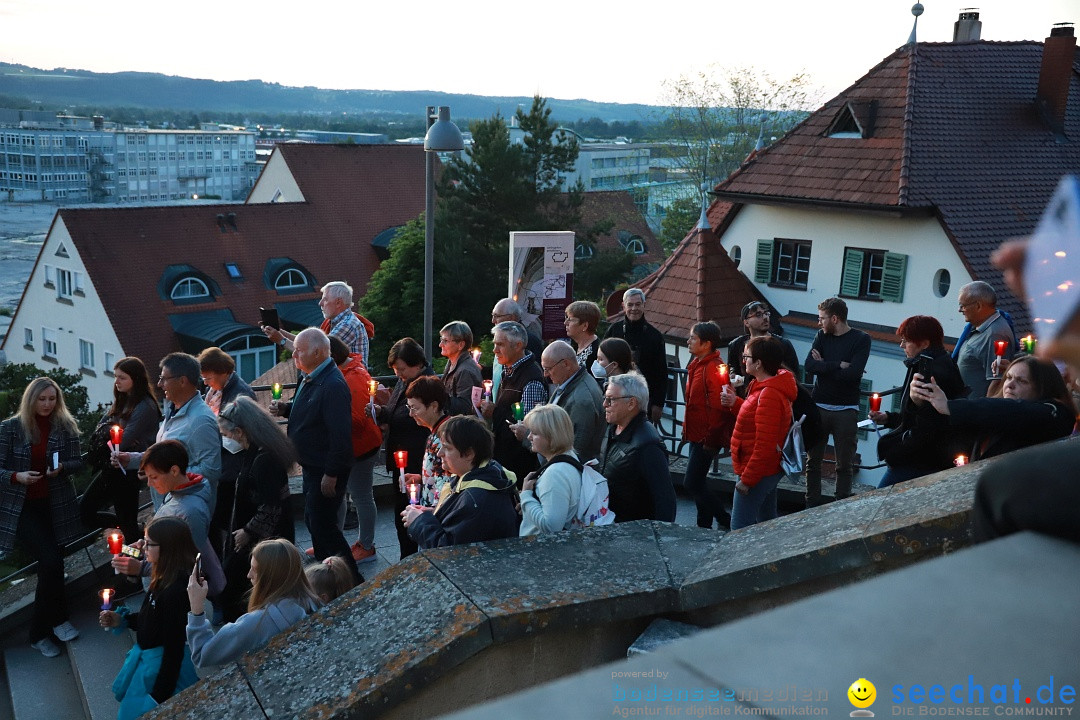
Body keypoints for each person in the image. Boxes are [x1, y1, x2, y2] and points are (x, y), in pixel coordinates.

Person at [0, 377, 83, 658]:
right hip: (21, 507)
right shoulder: (11, 428)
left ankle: (58, 621)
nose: (47, 404)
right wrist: (16, 476)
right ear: (31, 399)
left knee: (54, 564)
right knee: (51, 560)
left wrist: (62, 470)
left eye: (52, 399)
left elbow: (77, 461)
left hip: (55, 503)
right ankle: (39, 632)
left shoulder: (65, 426)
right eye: (42, 399)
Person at [269, 328, 359, 584]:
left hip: (324, 468)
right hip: (312, 465)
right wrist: (287, 408)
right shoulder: (311, 376)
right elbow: (310, 412)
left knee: (324, 527)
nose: (294, 354)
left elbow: (340, 436)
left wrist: (331, 473)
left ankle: (350, 580)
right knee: (314, 521)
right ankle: (327, 575)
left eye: (299, 350)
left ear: (318, 352)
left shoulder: (332, 385)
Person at [99, 516, 199, 719]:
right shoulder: (163, 576)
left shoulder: (175, 591)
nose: (143, 548)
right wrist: (123, 620)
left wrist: (157, 698)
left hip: (157, 670)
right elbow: (152, 619)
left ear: (168, 549)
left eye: (149, 544)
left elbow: (174, 649)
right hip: (149, 662)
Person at [216, 397, 297, 622]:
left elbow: (271, 506)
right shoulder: (261, 452)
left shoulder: (264, 461)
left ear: (240, 432)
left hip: (260, 540)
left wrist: (248, 532)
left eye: (227, 434)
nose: (227, 439)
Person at [912, 354, 1076, 462]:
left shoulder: (1054, 413)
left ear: (1042, 387)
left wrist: (949, 406)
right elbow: (950, 433)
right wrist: (923, 402)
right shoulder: (994, 411)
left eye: (1021, 381)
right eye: (1009, 378)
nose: (1010, 385)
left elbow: (1014, 411)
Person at [186, 538, 321, 668]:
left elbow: (202, 655)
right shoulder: (315, 603)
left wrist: (196, 607)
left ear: (269, 578)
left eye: (255, 570)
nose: (249, 575)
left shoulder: (255, 623)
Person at [116, 352, 221, 512]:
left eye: (164, 378)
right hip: (170, 506)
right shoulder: (174, 410)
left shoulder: (200, 420)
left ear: (182, 381)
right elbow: (165, 457)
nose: (159, 384)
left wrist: (161, 472)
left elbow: (211, 470)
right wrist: (132, 459)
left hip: (186, 511)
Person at [869, 316, 966, 487]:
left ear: (924, 344)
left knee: (879, 504)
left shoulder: (930, 373)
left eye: (906, 341)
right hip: (926, 457)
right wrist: (890, 418)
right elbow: (919, 415)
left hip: (922, 461)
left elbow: (928, 428)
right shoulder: (930, 362)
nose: (901, 346)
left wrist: (894, 455)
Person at [401, 416, 520, 548]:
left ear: (469, 454)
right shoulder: (485, 472)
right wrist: (436, 512)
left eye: (447, 448)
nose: (440, 453)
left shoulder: (475, 498)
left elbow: (450, 550)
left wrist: (419, 522)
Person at [80, 356, 161, 542]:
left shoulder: (145, 406)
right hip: (114, 466)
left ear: (136, 379)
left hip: (128, 469)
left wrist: (114, 432)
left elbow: (121, 442)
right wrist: (113, 431)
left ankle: (136, 559)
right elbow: (101, 429)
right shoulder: (122, 400)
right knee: (86, 511)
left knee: (126, 522)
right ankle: (137, 532)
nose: (117, 382)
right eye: (116, 377)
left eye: (122, 377)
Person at [721, 336, 798, 530]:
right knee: (767, 522)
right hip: (766, 468)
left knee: (739, 527)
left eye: (747, 356)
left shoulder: (768, 394)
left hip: (757, 470)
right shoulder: (765, 387)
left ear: (758, 363)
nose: (743, 359)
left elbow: (765, 443)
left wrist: (747, 480)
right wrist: (736, 403)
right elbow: (758, 419)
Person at [803, 298, 871, 507]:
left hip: (846, 410)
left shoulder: (861, 339)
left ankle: (840, 506)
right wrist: (837, 365)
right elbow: (808, 366)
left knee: (844, 465)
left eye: (822, 318)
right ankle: (810, 505)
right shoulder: (822, 336)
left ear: (835, 318)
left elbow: (853, 374)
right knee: (812, 462)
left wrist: (824, 366)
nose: (819, 323)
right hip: (819, 406)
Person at [375, 337, 434, 559]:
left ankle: (412, 558)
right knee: (401, 514)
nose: (399, 374)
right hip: (401, 459)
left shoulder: (424, 386)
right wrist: (382, 412)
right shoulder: (405, 381)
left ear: (417, 364)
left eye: (402, 369)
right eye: (396, 370)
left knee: (412, 514)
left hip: (415, 460)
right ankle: (406, 556)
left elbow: (414, 419)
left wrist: (391, 417)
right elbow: (395, 409)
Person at [198, 346, 255, 563]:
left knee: (223, 518)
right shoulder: (213, 390)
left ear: (222, 372)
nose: (205, 382)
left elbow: (241, 437)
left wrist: (212, 436)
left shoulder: (241, 394)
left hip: (231, 466)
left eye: (208, 377)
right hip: (218, 460)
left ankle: (228, 562)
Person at [329, 336, 382, 564]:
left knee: (361, 496)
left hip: (361, 447)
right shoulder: (346, 372)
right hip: (349, 447)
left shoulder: (353, 377)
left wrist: (326, 418)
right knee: (341, 495)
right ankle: (335, 541)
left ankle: (367, 545)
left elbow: (359, 420)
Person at [598, 372, 677, 522]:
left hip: (633, 533)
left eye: (611, 399)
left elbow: (665, 501)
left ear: (631, 403)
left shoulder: (648, 446)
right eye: (605, 398)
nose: (605, 404)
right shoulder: (613, 428)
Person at [682, 322, 734, 530]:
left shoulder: (712, 368)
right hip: (698, 433)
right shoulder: (699, 364)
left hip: (706, 436)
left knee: (691, 482)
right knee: (698, 481)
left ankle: (724, 518)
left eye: (693, 338)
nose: (688, 341)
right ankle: (704, 524)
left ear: (706, 344)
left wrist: (712, 439)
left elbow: (718, 408)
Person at [480, 321, 548, 481]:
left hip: (519, 466)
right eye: (495, 344)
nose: (495, 350)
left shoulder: (531, 379)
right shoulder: (509, 371)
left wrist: (495, 412)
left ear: (518, 346)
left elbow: (527, 426)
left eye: (500, 345)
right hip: (505, 459)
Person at [262, 280, 373, 365]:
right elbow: (308, 344)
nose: (320, 303)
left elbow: (315, 354)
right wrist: (279, 331)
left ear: (338, 302)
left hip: (350, 385)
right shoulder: (342, 321)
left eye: (325, 299)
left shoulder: (348, 325)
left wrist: (281, 340)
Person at [603, 288, 669, 422]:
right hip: (615, 396)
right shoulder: (614, 330)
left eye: (638, 304)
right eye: (630, 304)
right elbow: (602, 361)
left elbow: (661, 372)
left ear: (644, 305)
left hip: (643, 399)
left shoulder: (655, 336)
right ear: (623, 306)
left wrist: (659, 404)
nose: (634, 308)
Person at [536, 340, 605, 462]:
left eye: (548, 369)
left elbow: (575, 450)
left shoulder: (582, 400)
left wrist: (527, 437)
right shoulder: (568, 382)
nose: (545, 374)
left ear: (566, 364)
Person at [519, 404, 582, 536]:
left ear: (552, 436)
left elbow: (551, 526)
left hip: (541, 550)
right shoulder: (570, 457)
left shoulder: (555, 474)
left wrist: (526, 496)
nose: (529, 437)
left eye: (535, 433)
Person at [953, 281, 1018, 399]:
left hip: (976, 412)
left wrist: (986, 412)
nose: (960, 310)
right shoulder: (981, 327)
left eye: (963, 306)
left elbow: (997, 381)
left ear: (978, 306)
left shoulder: (995, 334)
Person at [727, 301, 799, 395]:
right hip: (745, 401)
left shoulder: (783, 345)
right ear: (746, 322)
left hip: (773, 398)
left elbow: (793, 377)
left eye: (766, 313)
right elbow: (733, 370)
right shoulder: (736, 345)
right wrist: (734, 377)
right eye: (758, 315)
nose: (765, 317)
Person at [403, 376, 453, 508]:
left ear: (434, 406)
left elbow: (446, 484)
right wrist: (422, 478)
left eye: (415, 408)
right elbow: (438, 472)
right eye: (409, 407)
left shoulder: (445, 438)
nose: (411, 414)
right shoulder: (436, 432)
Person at [439, 321, 483, 416]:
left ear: (461, 345)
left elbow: (465, 407)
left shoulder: (465, 371)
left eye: (445, 341)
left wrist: (437, 395)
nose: (440, 344)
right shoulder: (452, 362)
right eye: (441, 340)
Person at [563, 301, 602, 373]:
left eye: (570, 320)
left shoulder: (597, 352)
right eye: (566, 318)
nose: (565, 323)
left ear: (585, 326)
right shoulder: (574, 346)